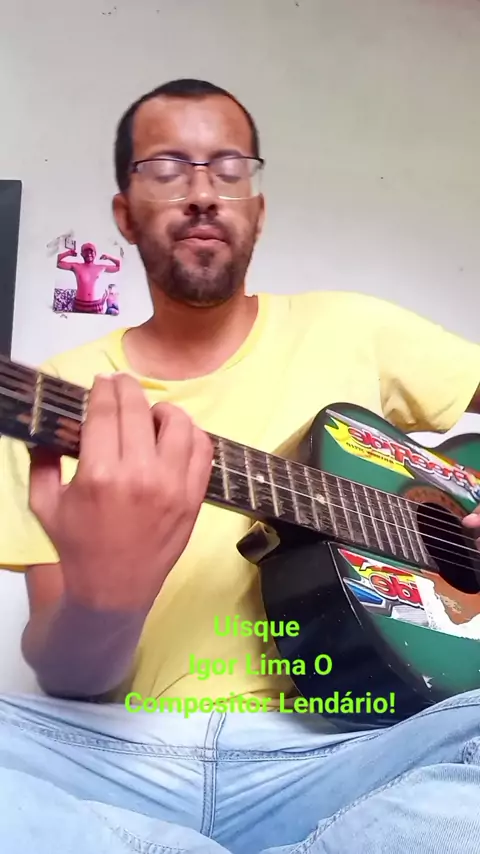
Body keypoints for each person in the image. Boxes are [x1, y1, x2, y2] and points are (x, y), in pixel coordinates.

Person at [1, 78, 480, 854]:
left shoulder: (355, 327)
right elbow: (70, 677)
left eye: (228, 169)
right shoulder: (61, 396)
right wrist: (104, 599)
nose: (201, 193)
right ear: (124, 213)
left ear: (257, 209)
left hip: (359, 753)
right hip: (124, 758)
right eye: (166, 167)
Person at [56, 242, 121, 313]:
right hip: (79, 304)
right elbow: (57, 262)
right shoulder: (76, 266)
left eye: (91, 252)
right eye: (86, 252)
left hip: (96, 304)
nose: (89, 254)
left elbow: (119, 267)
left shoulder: (101, 267)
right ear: (82, 254)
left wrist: (109, 257)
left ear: (95, 254)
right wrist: (68, 253)